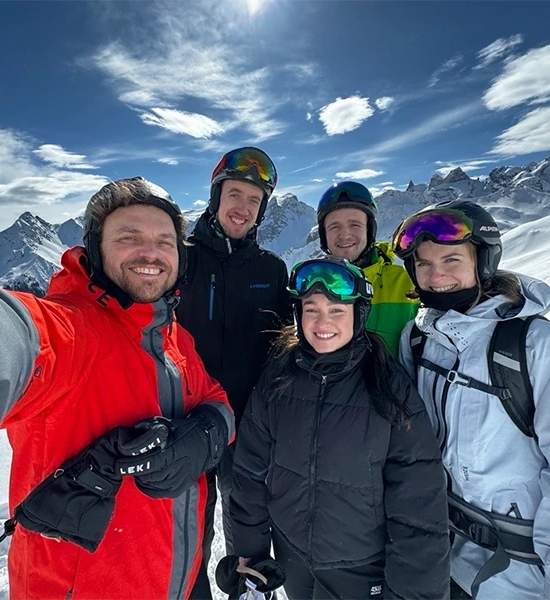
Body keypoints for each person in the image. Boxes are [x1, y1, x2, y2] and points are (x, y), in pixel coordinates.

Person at [0, 177, 235, 600]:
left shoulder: (172, 338)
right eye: (129, 237)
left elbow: (215, 398)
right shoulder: (75, 330)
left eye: (165, 241)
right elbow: (4, 340)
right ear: (94, 250)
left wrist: (205, 433)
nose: (150, 252)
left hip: (173, 583)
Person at [393, 200, 550, 599]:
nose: (436, 275)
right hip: (438, 559)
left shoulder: (539, 346)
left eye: (450, 259)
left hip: (519, 576)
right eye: (423, 264)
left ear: (483, 261)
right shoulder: (418, 339)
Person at [228, 257, 450, 599]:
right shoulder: (280, 377)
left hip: (361, 566)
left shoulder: (388, 386)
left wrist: (413, 592)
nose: (322, 322)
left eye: (336, 310)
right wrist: (252, 548)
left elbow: (418, 503)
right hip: (293, 558)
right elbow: (250, 468)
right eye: (311, 309)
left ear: (358, 316)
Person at [176, 147, 291, 597]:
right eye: (235, 194)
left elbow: (282, 347)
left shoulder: (270, 269)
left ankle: (247, 590)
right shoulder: (182, 262)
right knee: (190, 531)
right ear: (215, 197)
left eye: (254, 201)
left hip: (248, 426)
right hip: (188, 424)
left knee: (249, 529)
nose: (242, 208)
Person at [316, 180, 417, 356]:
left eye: (355, 225)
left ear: (369, 230)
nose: (345, 234)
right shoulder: (311, 285)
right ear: (323, 235)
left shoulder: (407, 282)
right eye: (334, 227)